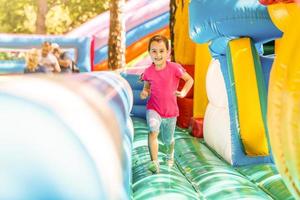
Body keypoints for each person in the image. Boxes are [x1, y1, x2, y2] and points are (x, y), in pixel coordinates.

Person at [140, 35, 194, 174]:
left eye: (161, 51)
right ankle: (155, 163)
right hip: (154, 108)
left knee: (168, 140)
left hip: (170, 112)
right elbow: (147, 84)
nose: (158, 55)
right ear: (149, 52)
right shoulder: (148, 71)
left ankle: (170, 154)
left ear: (168, 52)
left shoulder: (174, 68)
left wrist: (183, 93)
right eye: (154, 51)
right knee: (153, 130)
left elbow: (189, 80)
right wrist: (145, 91)